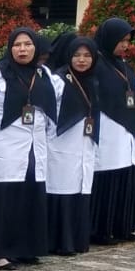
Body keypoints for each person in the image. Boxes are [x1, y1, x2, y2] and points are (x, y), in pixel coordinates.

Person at [0, 27, 54, 269]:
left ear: (36, 48)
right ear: (10, 48)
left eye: (27, 44)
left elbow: (50, 109)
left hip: (34, 145)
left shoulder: (43, 74)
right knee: (5, 198)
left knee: (29, 194)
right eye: (17, 45)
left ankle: (25, 248)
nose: (22, 49)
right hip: (4, 143)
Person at [88, 18, 135, 245]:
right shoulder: (97, 64)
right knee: (108, 177)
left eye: (128, 41)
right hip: (109, 129)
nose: (125, 45)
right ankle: (102, 229)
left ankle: (123, 226)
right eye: (121, 41)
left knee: (125, 177)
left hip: (128, 131)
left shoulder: (123, 64)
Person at [46, 34, 101, 255]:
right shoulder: (59, 79)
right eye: (77, 55)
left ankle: (77, 240)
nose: (82, 60)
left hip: (84, 144)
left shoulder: (94, 80)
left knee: (80, 189)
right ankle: (59, 242)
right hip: (62, 144)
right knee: (62, 190)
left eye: (87, 55)